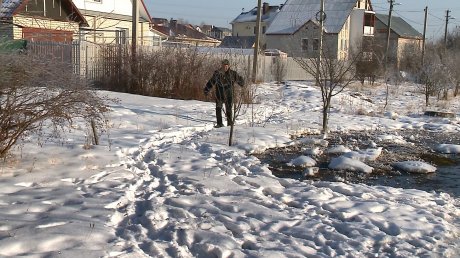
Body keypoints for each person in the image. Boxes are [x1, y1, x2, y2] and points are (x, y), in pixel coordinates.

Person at [204, 59, 245, 128]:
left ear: (229, 66)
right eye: (224, 66)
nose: (225, 67)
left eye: (227, 66)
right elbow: (211, 81)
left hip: (229, 95)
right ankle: (219, 123)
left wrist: (242, 83)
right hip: (219, 95)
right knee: (218, 108)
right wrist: (206, 89)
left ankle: (229, 124)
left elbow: (240, 80)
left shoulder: (232, 73)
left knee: (229, 109)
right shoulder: (217, 73)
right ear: (222, 65)